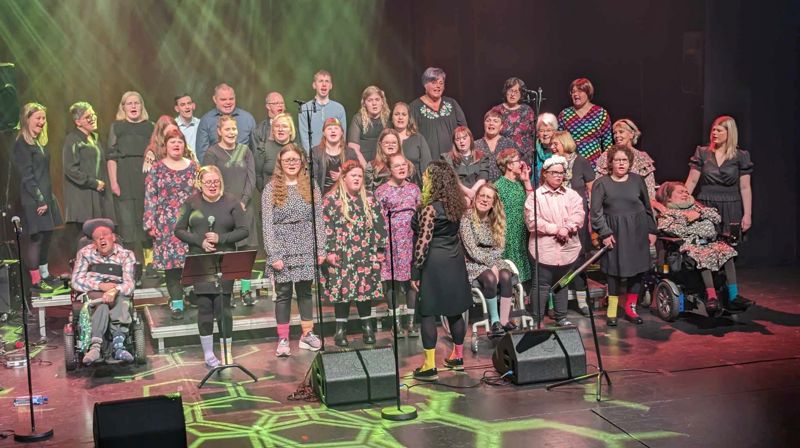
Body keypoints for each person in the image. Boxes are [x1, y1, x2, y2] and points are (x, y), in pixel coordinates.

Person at [174, 165, 248, 367]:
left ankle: (227, 352)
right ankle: (208, 354)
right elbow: (178, 230)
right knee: (205, 306)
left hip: (225, 260)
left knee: (223, 308)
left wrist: (221, 238)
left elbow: (244, 231)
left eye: (216, 182)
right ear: (200, 183)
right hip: (200, 260)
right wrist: (200, 241)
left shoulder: (232, 202)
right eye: (208, 182)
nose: (212, 186)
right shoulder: (191, 203)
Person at [410, 161, 472, 381]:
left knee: (427, 312)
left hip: (434, 262)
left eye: (426, 176)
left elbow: (423, 243)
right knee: (454, 311)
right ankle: (457, 356)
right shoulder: (456, 205)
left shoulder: (430, 208)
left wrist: (415, 272)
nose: (423, 179)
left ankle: (429, 364)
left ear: (433, 181)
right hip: (454, 260)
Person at [262, 144, 325, 356]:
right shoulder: (271, 189)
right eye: (287, 160)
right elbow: (267, 224)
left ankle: (307, 334)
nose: (291, 164)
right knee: (284, 293)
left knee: (306, 291)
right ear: (280, 163)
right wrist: (274, 254)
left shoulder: (311, 185)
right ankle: (283, 339)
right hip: (282, 245)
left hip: (306, 243)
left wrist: (320, 248)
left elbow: (318, 219)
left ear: (301, 162)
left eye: (295, 160)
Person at [655, 182, 751, 312]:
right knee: (704, 254)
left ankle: (734, 297)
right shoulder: (668, 214)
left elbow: (716, 216)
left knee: (728, 252)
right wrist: (687, 218)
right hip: (690, 245)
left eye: (686, 192)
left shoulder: (697, 207)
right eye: (680, 192)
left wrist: (698, 215)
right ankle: (711, 298)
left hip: (710, 242)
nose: (685, 194)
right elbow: (671, 229)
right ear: (669, 197)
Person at [321, 160, 386, 347]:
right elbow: (326, 226)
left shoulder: (370, 199)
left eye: (360, 176)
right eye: (353, 176)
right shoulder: (331, 200)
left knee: (364, 291)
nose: (357, 179)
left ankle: (367, 328)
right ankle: (340, 331)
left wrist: (380, 250)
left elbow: (380, 225)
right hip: (342, 253)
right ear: (344, 178)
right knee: (342, 292)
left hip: (365, 253)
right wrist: (330, 251)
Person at [590, 145, 657, 326]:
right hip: (614, 233)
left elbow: (647, 206)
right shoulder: (601, 183)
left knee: (638, 269)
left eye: (624, 160)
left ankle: (630, 308)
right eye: (617, 160)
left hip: (637, 229)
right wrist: (604, 233)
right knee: (613, 271)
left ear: (630, 163)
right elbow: (595, 213)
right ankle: (612, 309)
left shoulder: (637, 180)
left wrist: (652, 229)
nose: (621, 163)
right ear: (610, 163)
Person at [143, 129, 199, 320]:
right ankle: (176, 302)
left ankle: (192, 295)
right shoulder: (157, 168)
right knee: (172, 266)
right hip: (166, 224)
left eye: (180, 142)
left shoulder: (193, 167)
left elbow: (201, 195)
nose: (176, 145)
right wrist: (150, 222)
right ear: (165, 146)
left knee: (190, 263)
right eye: (172, 142)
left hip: (190, 222)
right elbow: (151, 196)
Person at [525, 156, 586, 326]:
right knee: (542, 285)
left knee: (562, 283)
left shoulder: (571, 195)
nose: (559, 176)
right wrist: (556, 229)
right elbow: (532, 221)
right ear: (545, 174)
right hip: (544, 249)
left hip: (567, 248)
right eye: (555, 173)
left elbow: (578, 214)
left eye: (562, 173)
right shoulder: (535, 197)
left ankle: (561, 318)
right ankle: (537, 321)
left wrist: (567, 227)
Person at [12, 103, 63, 292]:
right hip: (34, 198)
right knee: (37, 239)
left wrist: (48, 198)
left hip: (46, 197)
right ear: (27, 120)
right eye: (38, 118)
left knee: (47, 236)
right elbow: (27, 176)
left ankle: (45, 275)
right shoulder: (22, 145)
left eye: (43, 118)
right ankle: (35, 281)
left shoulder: (38, 143)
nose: (42, 122)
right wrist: (40, 199)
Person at [71, 218, 136, 365]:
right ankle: (95, 347)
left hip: (118, 291)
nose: (101, 238)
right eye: (96, 237)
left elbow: (129, 283)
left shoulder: (126, 255)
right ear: (94, 243)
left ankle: (119, 346)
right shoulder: (85, 253)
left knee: (122, 300)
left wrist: (114, 290)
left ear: (113, 237)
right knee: (102, 304)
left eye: (105, 234)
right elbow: (76, 280)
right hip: (94, 291)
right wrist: (100, 286)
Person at [374, 153, 421, 337]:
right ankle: (396, 323)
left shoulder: (414, 189)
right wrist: (379, 246)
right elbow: (377, 219)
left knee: (412, 282)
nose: (402, 168)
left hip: (410, 240)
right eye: (397, 166)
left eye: (404, 164)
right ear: (389, 169)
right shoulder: (382, 191)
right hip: (390, 242)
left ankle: (410, 322)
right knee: (391, 282)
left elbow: (420, 214)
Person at [549, 131, 595, 315]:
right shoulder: (552, 163)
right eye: (551, 144)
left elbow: (592, 190)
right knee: (558, 260)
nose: (552, 147)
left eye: (555, 144)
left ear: (565, 143)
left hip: (577, 217)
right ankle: (557, 303)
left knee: (579, 259)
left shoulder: (581, 162)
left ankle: (582, 301)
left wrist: (591, 215)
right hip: (557, 217)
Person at [461, 183, 516, 336]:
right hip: (473, 261)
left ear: (493, 202)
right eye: (482, 195)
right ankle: (495, 321)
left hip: (494, 257)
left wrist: (493, 262)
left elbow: (500, 246)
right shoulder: (467, 218)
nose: (484, 200)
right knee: (490, 278)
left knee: (505, 275)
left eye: (489, 197)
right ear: (476, 197)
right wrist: (489, 264)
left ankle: (505, 321)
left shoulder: (496, 218)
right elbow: (471, 249)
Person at [107, 91, 155, 265]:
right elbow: (111, 156)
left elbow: (158, 152)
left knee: (147, 224)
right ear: (123, 107)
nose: (134, 106)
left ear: (142, 106)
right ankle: (131, 266)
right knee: (127, 225)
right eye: (129, 103)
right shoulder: (117, 127)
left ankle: (150, 265)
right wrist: (114, 183)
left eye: (137, 103)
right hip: (124, 179)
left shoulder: (150, 126)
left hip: (145, 179)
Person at [685, 115, 753, 235]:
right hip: (706, 204)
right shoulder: (702, 153)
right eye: (713, 130)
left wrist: (747, 215)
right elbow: (692, 181)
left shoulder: (741, 156)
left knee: (728, 247)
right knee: (704, 246)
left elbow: (745, 187)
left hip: (731, 206)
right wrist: (683, 206)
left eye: (719, 130)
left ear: (729, 133)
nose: (714, 133)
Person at [62, 101, 114, 256]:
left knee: (95, 234)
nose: (92, 118)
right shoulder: (72, 139)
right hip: (81, 196)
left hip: (96, 195)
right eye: (87, 117)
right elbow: (70, 169)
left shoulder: (95, 138)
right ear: (78, 122)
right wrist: (93, 182)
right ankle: (77, 269)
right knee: (81, 235)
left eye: (93, 114)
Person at [202, 115, 257, 248]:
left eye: (234, 129)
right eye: (227, 129)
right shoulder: (212, 153)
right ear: (220, 131)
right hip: (223, 210)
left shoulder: (245, 151)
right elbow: (209, 183)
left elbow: (251, 179)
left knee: (246, 253)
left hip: (245, 208)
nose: (232, 132)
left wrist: (243, 202)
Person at [494, 149, 533, 291]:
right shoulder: (499, 186)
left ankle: (522, 299)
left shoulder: (519, 183)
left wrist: (527, 180)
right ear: (509, 165)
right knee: (511, 267)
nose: (521, 164)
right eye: (517, 161)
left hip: (521, 232)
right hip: (507, 234)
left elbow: (532, 203)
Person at [409, 67, 468, 161]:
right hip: (427, 160)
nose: (438, 86)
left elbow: (464, 130)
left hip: (454, 160)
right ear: (425, 85)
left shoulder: (452, 103)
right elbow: (410, 135)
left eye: (441, 83)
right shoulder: (414, 107)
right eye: (434, 83)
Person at [595, 119, 657, 206]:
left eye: (621, 132)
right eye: (615, 133)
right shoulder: (606, 156)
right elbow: (598, 184)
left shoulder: (642, 157)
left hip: (637, 204)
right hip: (611, 203)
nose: (617, 135)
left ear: (631, 134)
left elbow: (649, 188)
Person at [557, 78, 613, 172]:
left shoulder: (600, 113)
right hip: (570, 164)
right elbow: (559, 140)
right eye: (573, 91)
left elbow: (608, 144)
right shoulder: (565, 114)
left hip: (594, 165)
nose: (575, 94)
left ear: (588, 92)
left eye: (580, 91)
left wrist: (606, 166)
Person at [196, 83, 256, 162]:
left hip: (243, 170)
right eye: (223, 99)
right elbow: (202, 153)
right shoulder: (206, 120)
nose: (228, 102)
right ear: (215, 99)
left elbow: (255, 150)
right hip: (216, 171)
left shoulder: (248, 118)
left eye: (231, 99)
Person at [311, 117, 366, 193]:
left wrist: (343, 176)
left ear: (342, 132)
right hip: (322, 195)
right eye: (329, 128)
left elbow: (357, 174)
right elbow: (313, 178)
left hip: (344, 194)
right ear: (324, 133)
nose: (333, 131)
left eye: (336, 128)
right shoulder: (316, 152)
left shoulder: (350, 153)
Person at [491, 77, 536, 165]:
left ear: (521, 94)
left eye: (516, 91)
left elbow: (533, 134)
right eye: (510, 90)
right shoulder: (497, 110)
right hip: (504, 158)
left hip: (525, 158)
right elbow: (491, 134)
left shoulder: (527, 110)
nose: (513, 94)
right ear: (506, 92)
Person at [299, 70, 347, 151]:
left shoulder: (339, 108)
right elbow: (304, 138)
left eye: (327, 81)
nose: (324, 84)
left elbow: (343, 135)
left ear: (331, 86)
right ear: (314, 85)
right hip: (313, 158)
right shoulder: (305, 109)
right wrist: (312, 157)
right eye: (321, 81)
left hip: (335, 156)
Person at [442, 126, 489, 204]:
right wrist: (467, 193)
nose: (461, 141)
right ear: (454, 142)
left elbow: (483, 178)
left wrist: (472, 192)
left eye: (464, 138)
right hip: (456, 198)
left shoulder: (481, 157)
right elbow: (451, 179)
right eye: (458, 139)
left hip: (477, 197)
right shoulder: (447, 158)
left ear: (470, 138)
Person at [254, 112, 296, 192]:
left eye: (284, 126)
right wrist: (265, 193)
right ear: (273, 131)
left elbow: (304, 175)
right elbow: (257, 175)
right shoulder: (262, 149)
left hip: (294, 197)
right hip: (270, 197)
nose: (280, 129)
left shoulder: (297, 150)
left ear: (291, 131)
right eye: (277, 126)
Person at [391, 101, 432, 182]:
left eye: (404, 114)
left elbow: (427, 167)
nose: (400, 117)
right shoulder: (386, 139)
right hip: (391, 186)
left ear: (409, 118)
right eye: (397, 114)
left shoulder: (418, 138)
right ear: (391, 117)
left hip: (415, 184)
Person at [348, 85, 390, 162]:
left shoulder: (388, 120)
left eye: (377, 99)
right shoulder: (358, 119)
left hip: (383, 163)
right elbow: (353, 147)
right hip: (362, 163)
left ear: (382, 102)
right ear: (364, 103)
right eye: (370, 100)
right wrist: (365, 167)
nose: (374, 103)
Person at [474, 109, 518, 182]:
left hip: (504, 187)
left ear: (501, 126)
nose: (491, 123)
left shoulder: (509, 144)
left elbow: (516, 167)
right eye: (488, 120)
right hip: (482, 189)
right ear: (484, 124)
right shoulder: (476, 145)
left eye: (495, 121)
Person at [533, 112, 558, 181]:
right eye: (541, 131)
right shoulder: (533, 149)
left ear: (555, 131)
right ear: (538, 133)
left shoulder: (559, 150)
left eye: (549, 130)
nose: (545, 134)